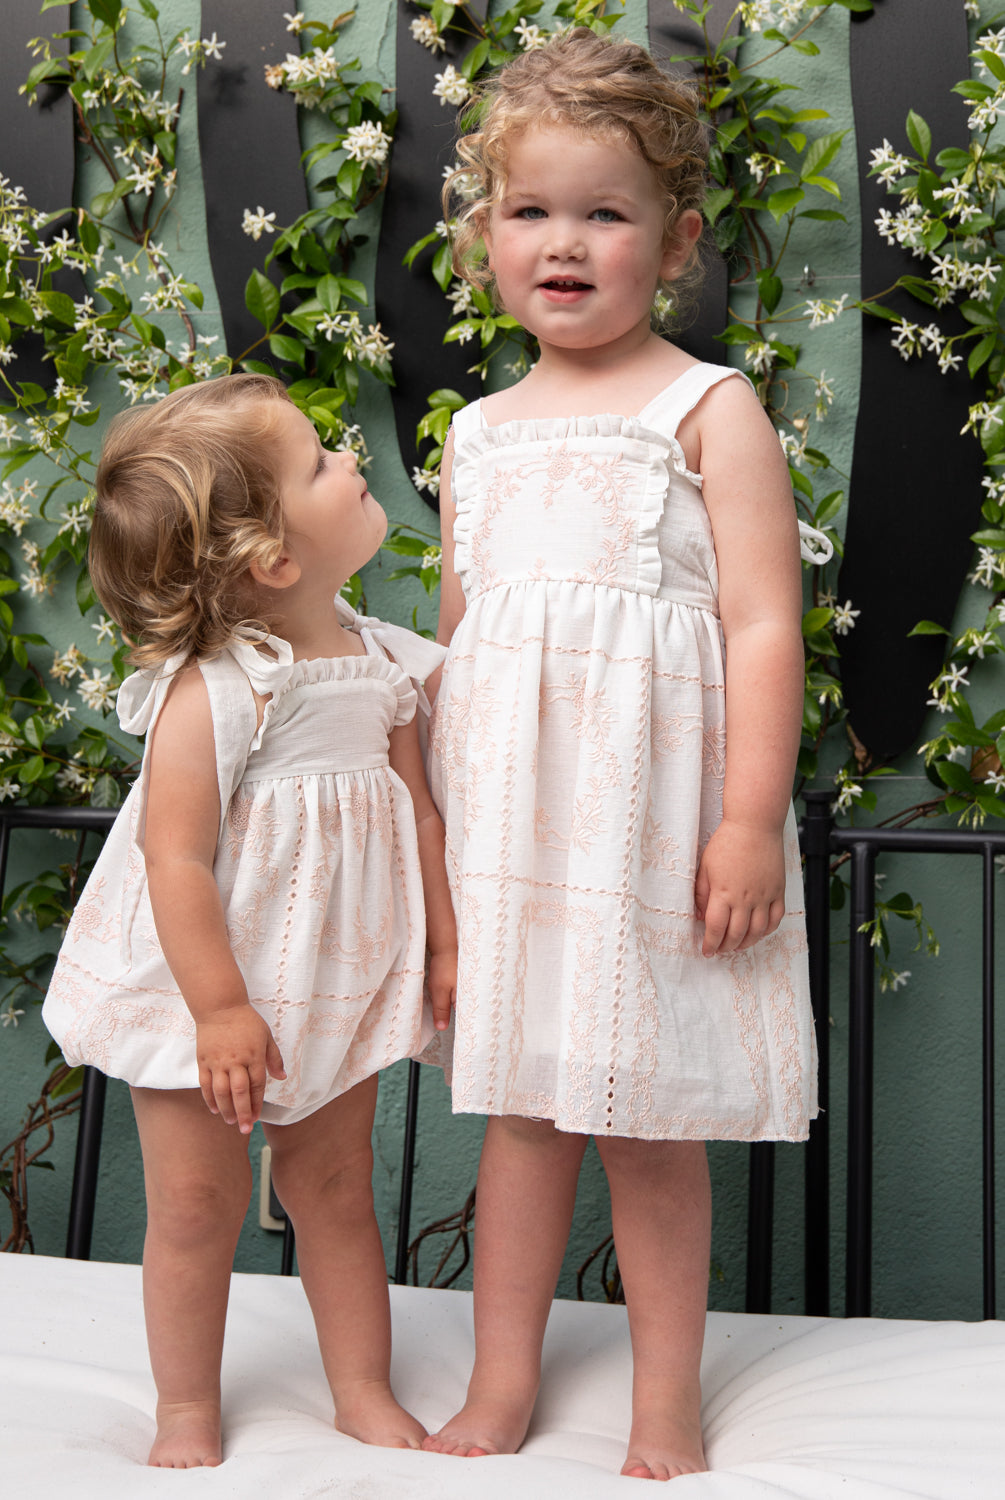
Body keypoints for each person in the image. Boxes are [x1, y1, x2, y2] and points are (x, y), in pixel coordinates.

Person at [423, 28, 819, 1482]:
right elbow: (466, 650)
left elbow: (764, 627)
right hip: (517, 831)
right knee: (519, 1114)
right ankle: (502, 1382)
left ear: (679, 237)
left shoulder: (704, 410)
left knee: (647, 1124)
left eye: (604, 211)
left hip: (654, 826)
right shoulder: (478, 433)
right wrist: (443, 863)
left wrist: (746, 821)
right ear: (485, 239)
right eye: (531, 211)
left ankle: (664, 1396)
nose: (565, 242)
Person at [43, 373, 457, 1468]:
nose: (351, 461)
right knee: (194, 1204)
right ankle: (185, 1407)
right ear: (274, 560)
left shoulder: (379, 660)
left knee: (335, 1189)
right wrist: (220, 1011)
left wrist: (447, 947)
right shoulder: (221, 688)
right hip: (201, 989)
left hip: (333, 978)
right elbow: (170, 855)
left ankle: (360, 1387)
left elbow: (418, 811)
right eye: (320, 464)